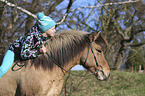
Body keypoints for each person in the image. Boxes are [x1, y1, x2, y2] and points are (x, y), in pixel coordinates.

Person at [0, 12, 56, 79]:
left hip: (25, 54)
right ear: (45, 30)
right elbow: (24, 54)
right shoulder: (30, 37)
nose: (55, 31)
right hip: (14, 52)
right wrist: (38, 52)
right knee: (3, 69)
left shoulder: (45, 37)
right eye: (52, 29)